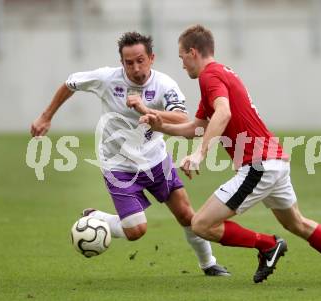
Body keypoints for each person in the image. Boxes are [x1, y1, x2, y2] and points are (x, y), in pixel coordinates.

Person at [141, 24, 321, 283]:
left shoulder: (210, 77)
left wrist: (200, 154)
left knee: (201, 225)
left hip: (258, 164)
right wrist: (160, 125)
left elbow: (224, 113)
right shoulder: (221, 74)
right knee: (297, 223)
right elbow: (197, 127)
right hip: (274, 162)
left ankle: (267, 245)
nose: (182, 64)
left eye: (182, 57)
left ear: (193, 52)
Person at [30, 31, 229, 276]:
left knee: (187, 215)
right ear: (121, 62)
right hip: (118, 166)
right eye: (129, 62)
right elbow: (70, 84)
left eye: (140, 60)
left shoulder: (164, 84)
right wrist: (46, 116)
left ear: (151, 58)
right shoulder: (106, 79)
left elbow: (182, 117)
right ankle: (99, 218)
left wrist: (148, 110)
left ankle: (208, 264)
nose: (135, 68)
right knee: (136, 231)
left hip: (156, 160)